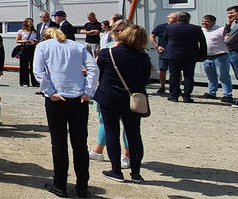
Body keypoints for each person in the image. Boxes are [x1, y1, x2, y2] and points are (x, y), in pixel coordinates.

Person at [34, 28, 98, 198]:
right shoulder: (78, 46)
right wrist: (88, 91)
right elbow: (94, 68)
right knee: (80, 144)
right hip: (78, 98)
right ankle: (82, 186)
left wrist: (49, 91)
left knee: (59, 142)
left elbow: (38, 71)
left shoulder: (43, 47)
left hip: (57, 97)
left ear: (46, 36)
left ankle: (60, 184)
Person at [94, 24, 151, 184]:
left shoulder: (108, 52)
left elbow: (99, 73)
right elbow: (145, 79)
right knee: (134, 134)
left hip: (109, 97)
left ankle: (116, 171)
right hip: (133, 99)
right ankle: (136, 173)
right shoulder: (143, 57)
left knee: (112, 133)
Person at [89, 19, 131, 169]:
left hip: (126, 92)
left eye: (123, 30)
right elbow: (96, 67)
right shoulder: (106, 46)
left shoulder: (135, 47)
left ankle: (126, 154)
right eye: (117, 30)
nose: (119, 33)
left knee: (128, 124)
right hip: (106, 91)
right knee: (104, 120)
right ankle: (98, 150)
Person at [165, 12, 207, 103]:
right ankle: (187, 96)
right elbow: (203, 43)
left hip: (173, 55)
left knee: (174, 75)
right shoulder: (196, 28)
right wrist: (203, 55)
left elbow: (165, 39)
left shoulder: (169, 28)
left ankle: (174, 96)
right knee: (188, 76)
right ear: (188, 19)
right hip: (190, 55)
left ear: (178, 19)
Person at [200, 15, 234, 102]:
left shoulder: (221, 30)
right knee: (210, 76)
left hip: (220, 56)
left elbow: (228, 37)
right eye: (203, 21)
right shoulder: (201, 31)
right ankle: (212, 93)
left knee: (223, 76)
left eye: (207, 21)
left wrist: (229, 23)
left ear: (213, 22)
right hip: (207, 57)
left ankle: (227, 95)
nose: (204, 23)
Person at [150, 13, 178, 94]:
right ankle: (162, 87)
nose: (175, 20)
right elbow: (152, 36)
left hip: (175, 52)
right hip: (163, 52)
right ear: (168, 18)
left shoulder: (178, 27)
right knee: (162, 70)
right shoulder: (161, 27)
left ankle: (177, 87)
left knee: (177, 71)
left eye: (177, 18)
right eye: (173, 18)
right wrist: (157, 46)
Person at [15, 18, 39, 87]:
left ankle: (35, 82)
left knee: (33, 65)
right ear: (26, 23)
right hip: (24, 48)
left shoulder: (34, 32)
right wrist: (25, 41)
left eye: (32, 22)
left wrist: (36, 42)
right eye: (30, 22)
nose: (31, 23)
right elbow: (17, 40)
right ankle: (24, 82)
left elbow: (37, 40)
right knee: (24, 66)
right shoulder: (21, 31)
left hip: (32, 48)